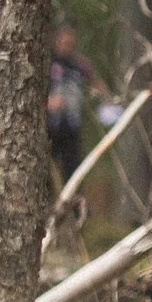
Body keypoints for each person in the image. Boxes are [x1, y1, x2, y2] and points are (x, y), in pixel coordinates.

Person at [46, 22, 104, 185]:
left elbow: (96, 84)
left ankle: (74, 207)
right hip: (49, 127)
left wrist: (107, 100)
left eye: (71, 44)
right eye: (64, 43)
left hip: (71, 126)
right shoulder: (47, 62)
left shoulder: (80, 65)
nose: (67, 47)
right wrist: (48, 102)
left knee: (72, 174)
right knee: (46, 175)